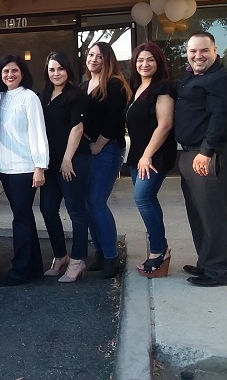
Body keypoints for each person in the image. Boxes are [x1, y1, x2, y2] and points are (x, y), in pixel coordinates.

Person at [175, 31, 227, 287]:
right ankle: (207, 263)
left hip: (211, 154)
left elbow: (221, 118)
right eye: (193, 51)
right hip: (191, 153)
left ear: (215, 50)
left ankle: (220, 272)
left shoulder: (223, 79)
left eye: (204, 50)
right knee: (199, 213)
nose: (198, 55)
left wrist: (206, 152)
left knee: (215, 214)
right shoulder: (193, 76)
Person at [0, 55, 49, 286]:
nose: (10, 75)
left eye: (14, 70)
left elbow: (38, 132)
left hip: (25, 168)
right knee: (23, 216)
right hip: (5, 168)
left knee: (21, 218)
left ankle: (20, 270)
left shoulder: (29, 97)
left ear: (22, 73)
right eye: (6, 71)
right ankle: (34, 266)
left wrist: (39, 167)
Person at [125, 42, 177, 278]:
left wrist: (147, 155)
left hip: (155, 155)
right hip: (138, 156)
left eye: (150, 60)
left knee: (143, 198)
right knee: (147, 200)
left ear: (159, 62)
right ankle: (158, 247)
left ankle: (159, 251)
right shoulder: (137, 88)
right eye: (140, 60)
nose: (144, 64)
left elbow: (165, 125)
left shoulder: (162, 88)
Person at [39, 52, 91, 283]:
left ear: (68, 70)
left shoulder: (76, 95)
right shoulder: (43, 96)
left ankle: (78, 260)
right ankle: (61, 255)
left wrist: (67, 159)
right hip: (49, 163)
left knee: (76, 210)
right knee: (47, 208)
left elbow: (77, 128)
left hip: (72, 161)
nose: (56, 73)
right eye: (52, 69)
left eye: (60, 68)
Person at [81, 41, 131, 279]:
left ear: (108, 60)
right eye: (91, 55)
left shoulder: (114, 84)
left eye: (99, 56)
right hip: (88, 151)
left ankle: (112, 257)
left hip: (107, 149)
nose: (94, 59)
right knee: (88, 204)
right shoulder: (83, 85)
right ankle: (100, 253)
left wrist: (99, 145)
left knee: (96, 202)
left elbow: (114, 120)